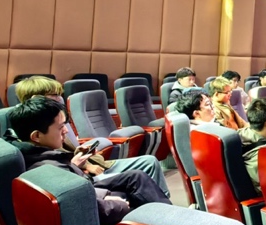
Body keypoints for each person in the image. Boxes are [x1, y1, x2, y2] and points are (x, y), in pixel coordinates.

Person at [7, 97, 171, 225]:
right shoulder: (46, 170)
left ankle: (169, 216)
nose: (66, 131)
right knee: (139, 197)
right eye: (60, 127)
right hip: (94, 214)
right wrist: (118, 204)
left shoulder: (39, 153)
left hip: (88, 188)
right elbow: (84, 205)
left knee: (136, 176)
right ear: (36, 136)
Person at [13, 77, 169, 196]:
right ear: (36, 98)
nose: (60, 98)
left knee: (149, 161)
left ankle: (161, 200)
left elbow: (63, 152)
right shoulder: (36, 127)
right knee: (139, 175)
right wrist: (83, 166)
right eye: (54, 95)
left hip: (85, 165)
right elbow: (54, 166)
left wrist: (81, 152)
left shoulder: (55, 119)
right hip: (81, 176)